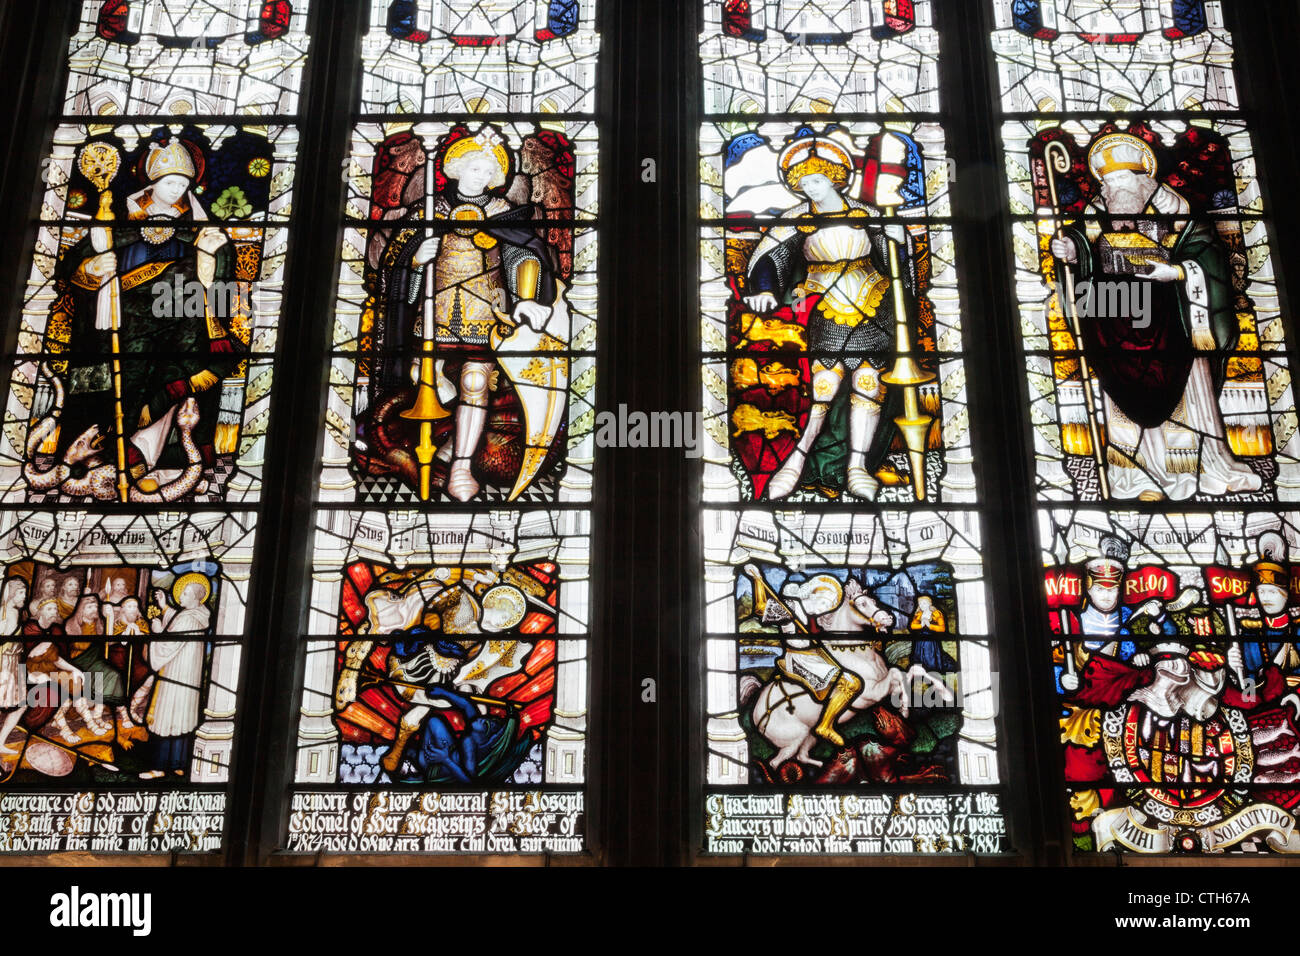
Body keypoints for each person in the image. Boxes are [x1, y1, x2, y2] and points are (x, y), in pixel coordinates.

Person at [1050, 131, 1261, 500]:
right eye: (1108, 181)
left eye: (1121, 180)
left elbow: (1207, 256)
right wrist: (1071, 249)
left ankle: (1191, 469)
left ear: (1143, 178)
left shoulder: (1175, 210)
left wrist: (1177, 273)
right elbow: (1085, 249)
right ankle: (1136, 475)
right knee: (1119, 390)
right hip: (1113, 317)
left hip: (1173, 319)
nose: (1113, 189)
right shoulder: (1097, 212)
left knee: (1184, 397)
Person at [55, 136, 245, 485]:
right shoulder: (119, 223)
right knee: (114, 379)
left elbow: (217, 290)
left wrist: (206, 256)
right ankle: (101, 454)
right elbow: (74, 269)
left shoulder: (200, 231)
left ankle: (152, 458)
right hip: (119, 325)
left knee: (179, 365)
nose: (176, 190)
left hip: (179, 324)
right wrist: (92, 270)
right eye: (170, 182)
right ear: (152, 184)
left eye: (183, 185)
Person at [741, 127, 914, 499]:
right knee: (822, 389)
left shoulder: (866, 213)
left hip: (875, 303)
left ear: (834, 179)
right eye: (803, 182)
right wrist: (765, 290)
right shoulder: (795, 217)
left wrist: (897, 240)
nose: (809, 187)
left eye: (816, 179)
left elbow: (895, 264)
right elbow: (771, 258)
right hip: (827, 308)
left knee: (868, 386)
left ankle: (857, 468)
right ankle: (795, 463)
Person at [402, 126, 558, 501]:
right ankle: (450, 440)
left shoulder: (503, 213)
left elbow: (523, 254)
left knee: (475, 382)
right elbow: (397, 262)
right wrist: (414, 261)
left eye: (490, 172)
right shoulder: (429, 208)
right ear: (457, 168)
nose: (483, 177)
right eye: (476, 168)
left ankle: (460, 467)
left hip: (484, 313)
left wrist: (525, 299)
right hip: (434, 311)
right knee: (422, 376)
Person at [139, 574, 210, 778]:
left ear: (196, 597)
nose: (181, 597)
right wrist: (164, 607)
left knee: (166, 715)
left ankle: (158, 768)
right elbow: (177, 623)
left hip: (176, 673)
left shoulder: (188, 618)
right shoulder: (199, 614)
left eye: (185, 593)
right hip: (189, 677)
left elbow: (170, 641)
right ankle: (179, 764)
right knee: (183, 717)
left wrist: (157, 630)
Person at [0, 578, 28, 754]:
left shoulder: (7, 611)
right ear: (10, 594)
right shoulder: (11, 613)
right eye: (21, 593)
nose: (24, 597)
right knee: (21, 704)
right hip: (6, 664)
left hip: (11, 662)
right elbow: (7, 642)